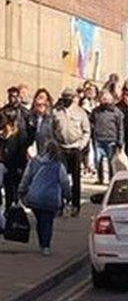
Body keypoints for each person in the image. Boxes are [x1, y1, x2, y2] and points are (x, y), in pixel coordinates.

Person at [19, 141, 72, 256]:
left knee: (39, 220)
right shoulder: (59, 166)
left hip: (35, 197)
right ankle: (46, 245)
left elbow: (26, 177)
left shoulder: (34, 162)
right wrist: (67, 196)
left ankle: (42, 242)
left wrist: (21, 191)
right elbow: (65, 182)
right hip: (51, 198)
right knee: (47, 222)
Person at [53, 87, 91, 217]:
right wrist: (55, 145)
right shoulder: (56, 112)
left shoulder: (81, 113)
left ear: (74, 99)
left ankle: (75, 205)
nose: (67, 100)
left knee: (76, 178)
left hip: (75, 148)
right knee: (60, 178)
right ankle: (60, 205)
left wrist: (81, 145)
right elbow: (52, 130)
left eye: (70, 98)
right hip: (61, 148)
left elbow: (86, 131)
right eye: (65, 98)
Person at [90, 91, 124, 185]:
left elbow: (120, 128)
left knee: (111, 161)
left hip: (111, 140)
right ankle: (100, 178)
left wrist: (120, 141)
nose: (103, 100)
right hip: (98, 139)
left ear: (110, 99)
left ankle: (111, 179)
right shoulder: (96, 111)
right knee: (98, 160)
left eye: (105, 99)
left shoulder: (116, 112)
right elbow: (91, 123)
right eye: (102, 98)